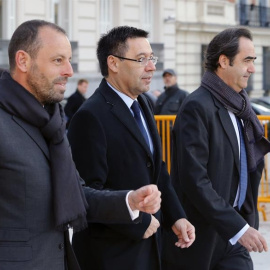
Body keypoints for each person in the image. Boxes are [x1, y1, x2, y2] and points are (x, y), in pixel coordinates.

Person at [0, 20, 163, 270]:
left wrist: (129, 201)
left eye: (69, 60)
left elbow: (78, 192)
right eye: (58, 61)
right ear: (23, 61)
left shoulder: (52, 123)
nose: (69, 71)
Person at [67, 26, 195, 270]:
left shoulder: (143, 103)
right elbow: (85, 195)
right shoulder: (89, 116)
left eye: (151, 58)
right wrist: (138, 222)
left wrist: (176, 216)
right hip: (111, 255)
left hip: (150, 248)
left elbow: (157, 170)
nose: (152, 67)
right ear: (113, 63)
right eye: (141, 59)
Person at [162, 27, 270, 270]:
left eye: (253, 61)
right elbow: (195, 180)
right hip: (200, 237)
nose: (252, 68)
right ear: (224, 61)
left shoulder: (242, 106)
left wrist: (245, 222)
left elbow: (250, 166)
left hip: (234, 234)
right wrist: (238, 227)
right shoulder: (196, 107)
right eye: (247, 60)